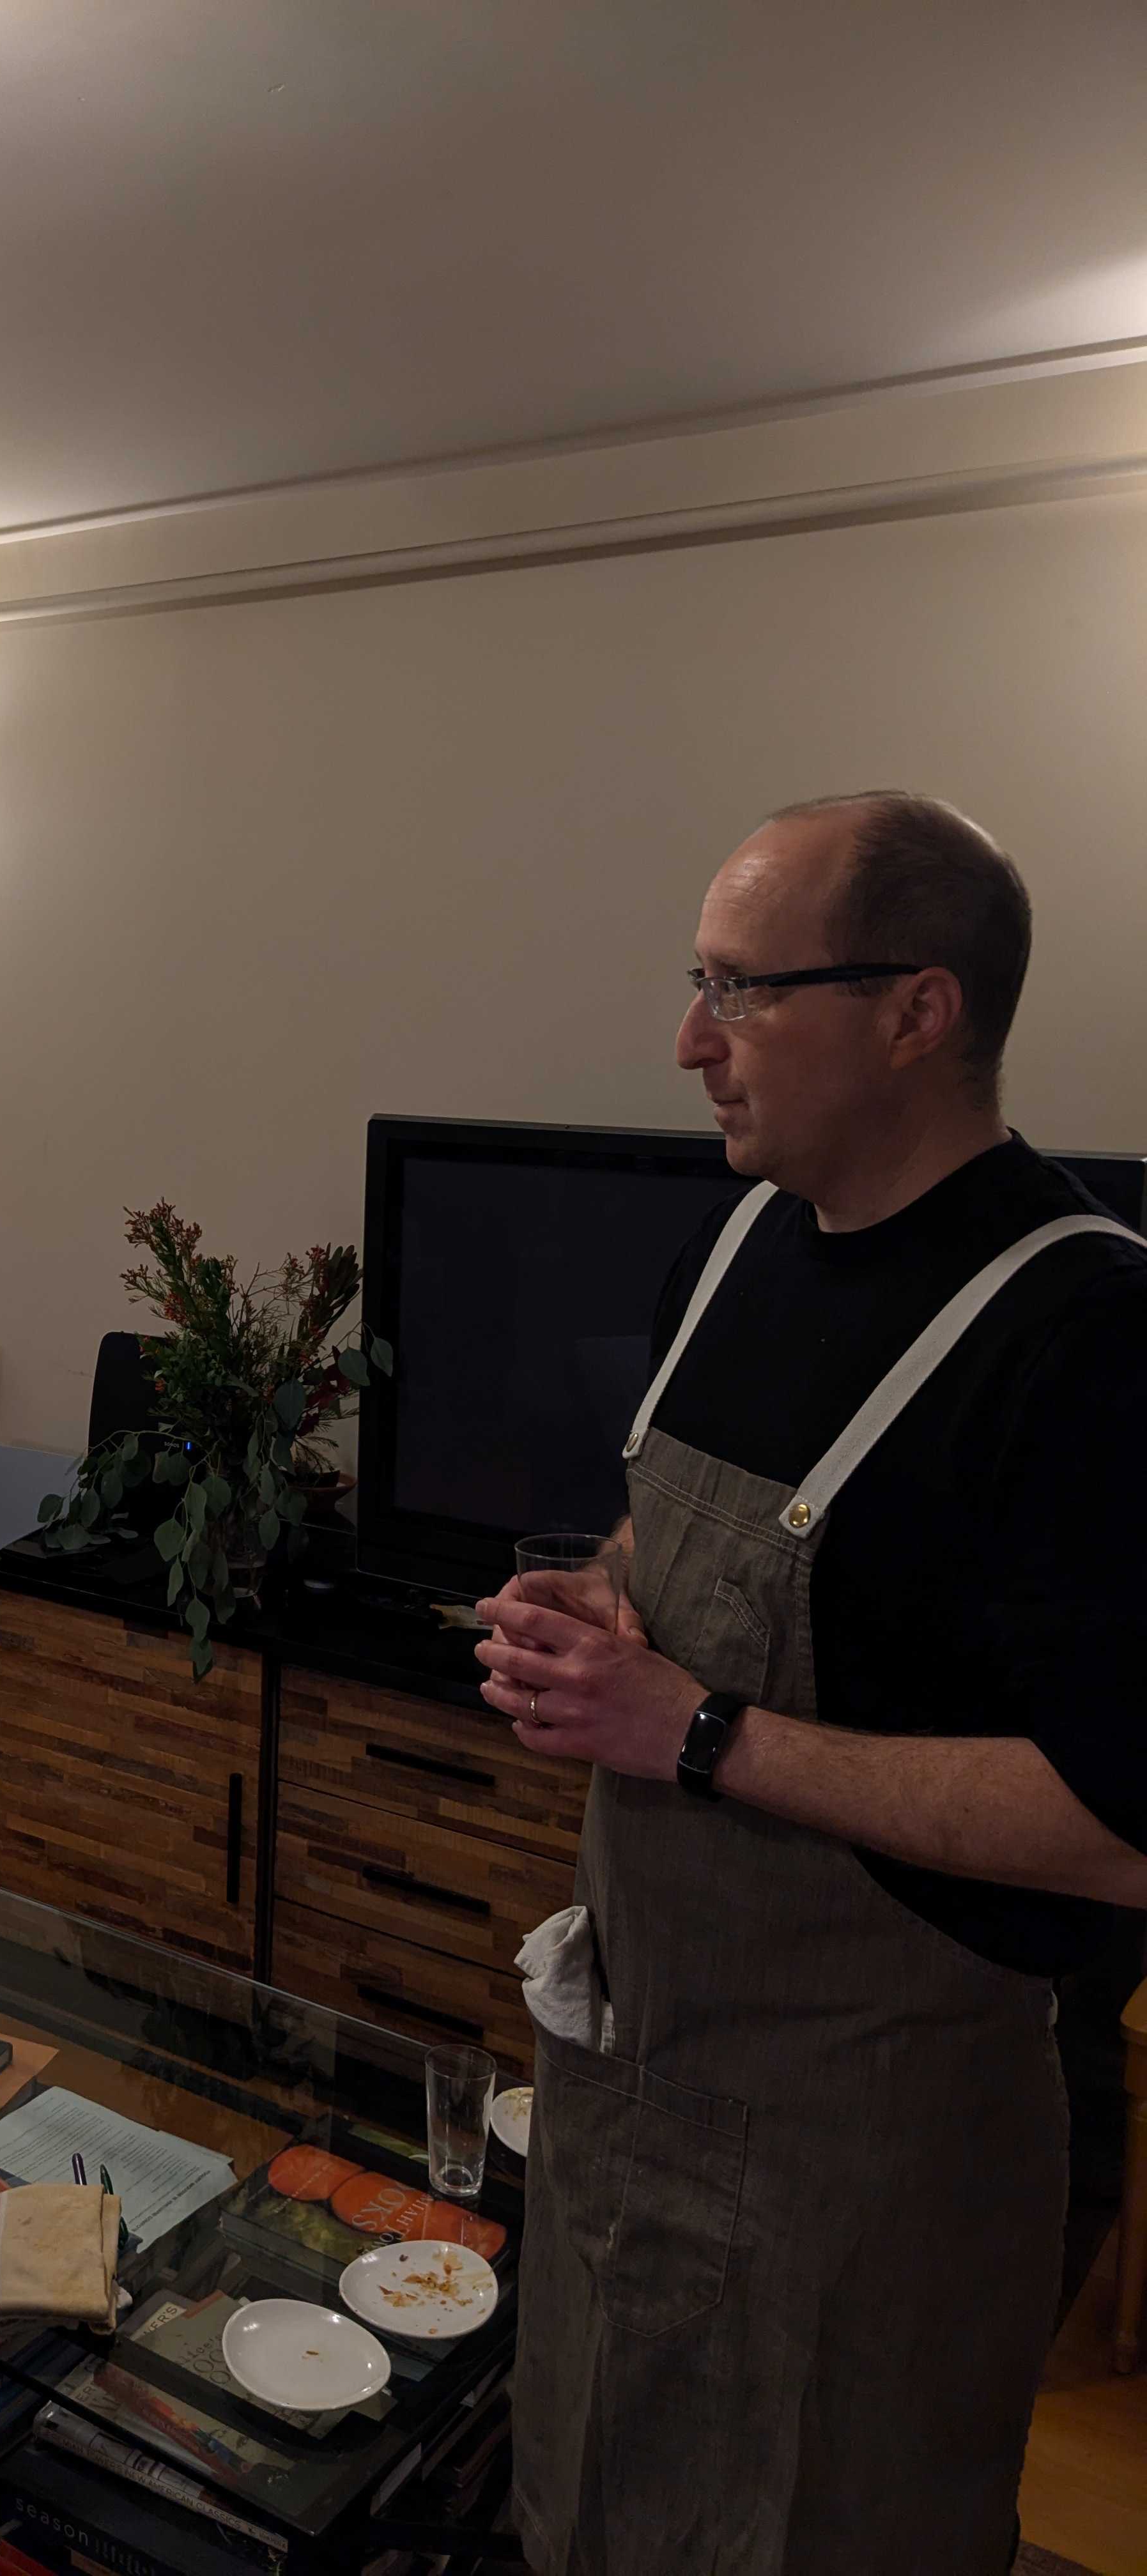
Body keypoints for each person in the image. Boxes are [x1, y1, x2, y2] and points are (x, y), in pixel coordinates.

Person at [476, 792, 1147, 2576]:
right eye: (698, 981)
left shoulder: (1088, 1336)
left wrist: (697, 1732)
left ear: (919, 1012)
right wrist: (602, 1603)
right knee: (597, 2504)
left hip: (878, 2164)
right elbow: (675, 1534)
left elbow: (1119, 1829)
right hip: (637, 2084)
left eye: (743, 991)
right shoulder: (741, 1242)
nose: (690, 1042)